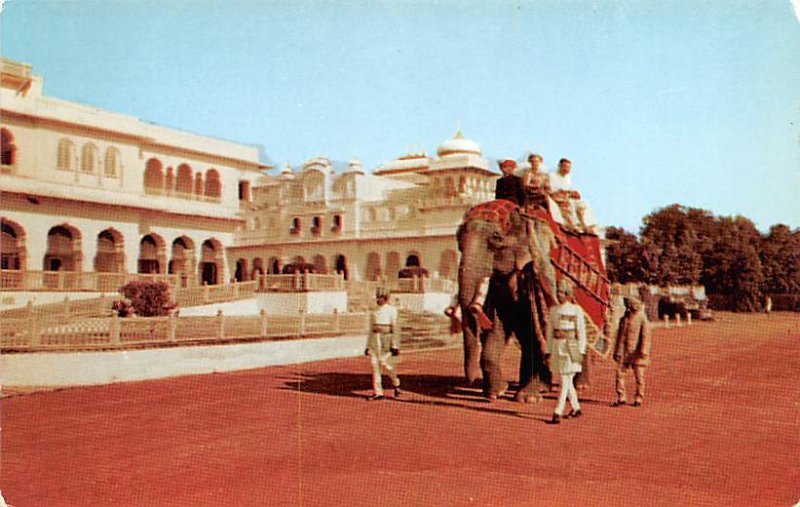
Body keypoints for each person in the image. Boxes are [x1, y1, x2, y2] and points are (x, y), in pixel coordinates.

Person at [546, 279, 587, 424]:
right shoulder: (553, 310)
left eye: (563, 292)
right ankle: (576, 408)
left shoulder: (577, 310)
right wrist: (548, 350)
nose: (560, 295)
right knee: (567, 379)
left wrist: (581, 350)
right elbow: (549, 331)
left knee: (565, 378)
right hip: (558, 347)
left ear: (569, 294)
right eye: (558, 292)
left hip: (572, 347)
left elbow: (581, 331)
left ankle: (557, 411)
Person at [611, 296, 651, 407]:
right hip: (624, 352)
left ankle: (639, 397)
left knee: (639, 377)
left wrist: (644, 350)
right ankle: (621, 396)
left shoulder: (642, 318)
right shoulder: (624, 318)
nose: (630, 307)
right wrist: (617, 351)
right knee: (619, 374)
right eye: (628, 305)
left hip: (636, 352)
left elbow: (646, 335)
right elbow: (619, 336)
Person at [364, 288, 401, 401]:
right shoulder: (374, 311)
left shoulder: (392, 310)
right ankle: (378, 392)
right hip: (376, 340)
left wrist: (395, 345)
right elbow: (371, 329)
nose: (379, 299)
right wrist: (368, 346)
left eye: (381, 297)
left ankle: (396, 384)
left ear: (386, 298)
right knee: (375, 365)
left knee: (387, 365)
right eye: (378, 297)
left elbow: (395, 328)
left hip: (386, 339)